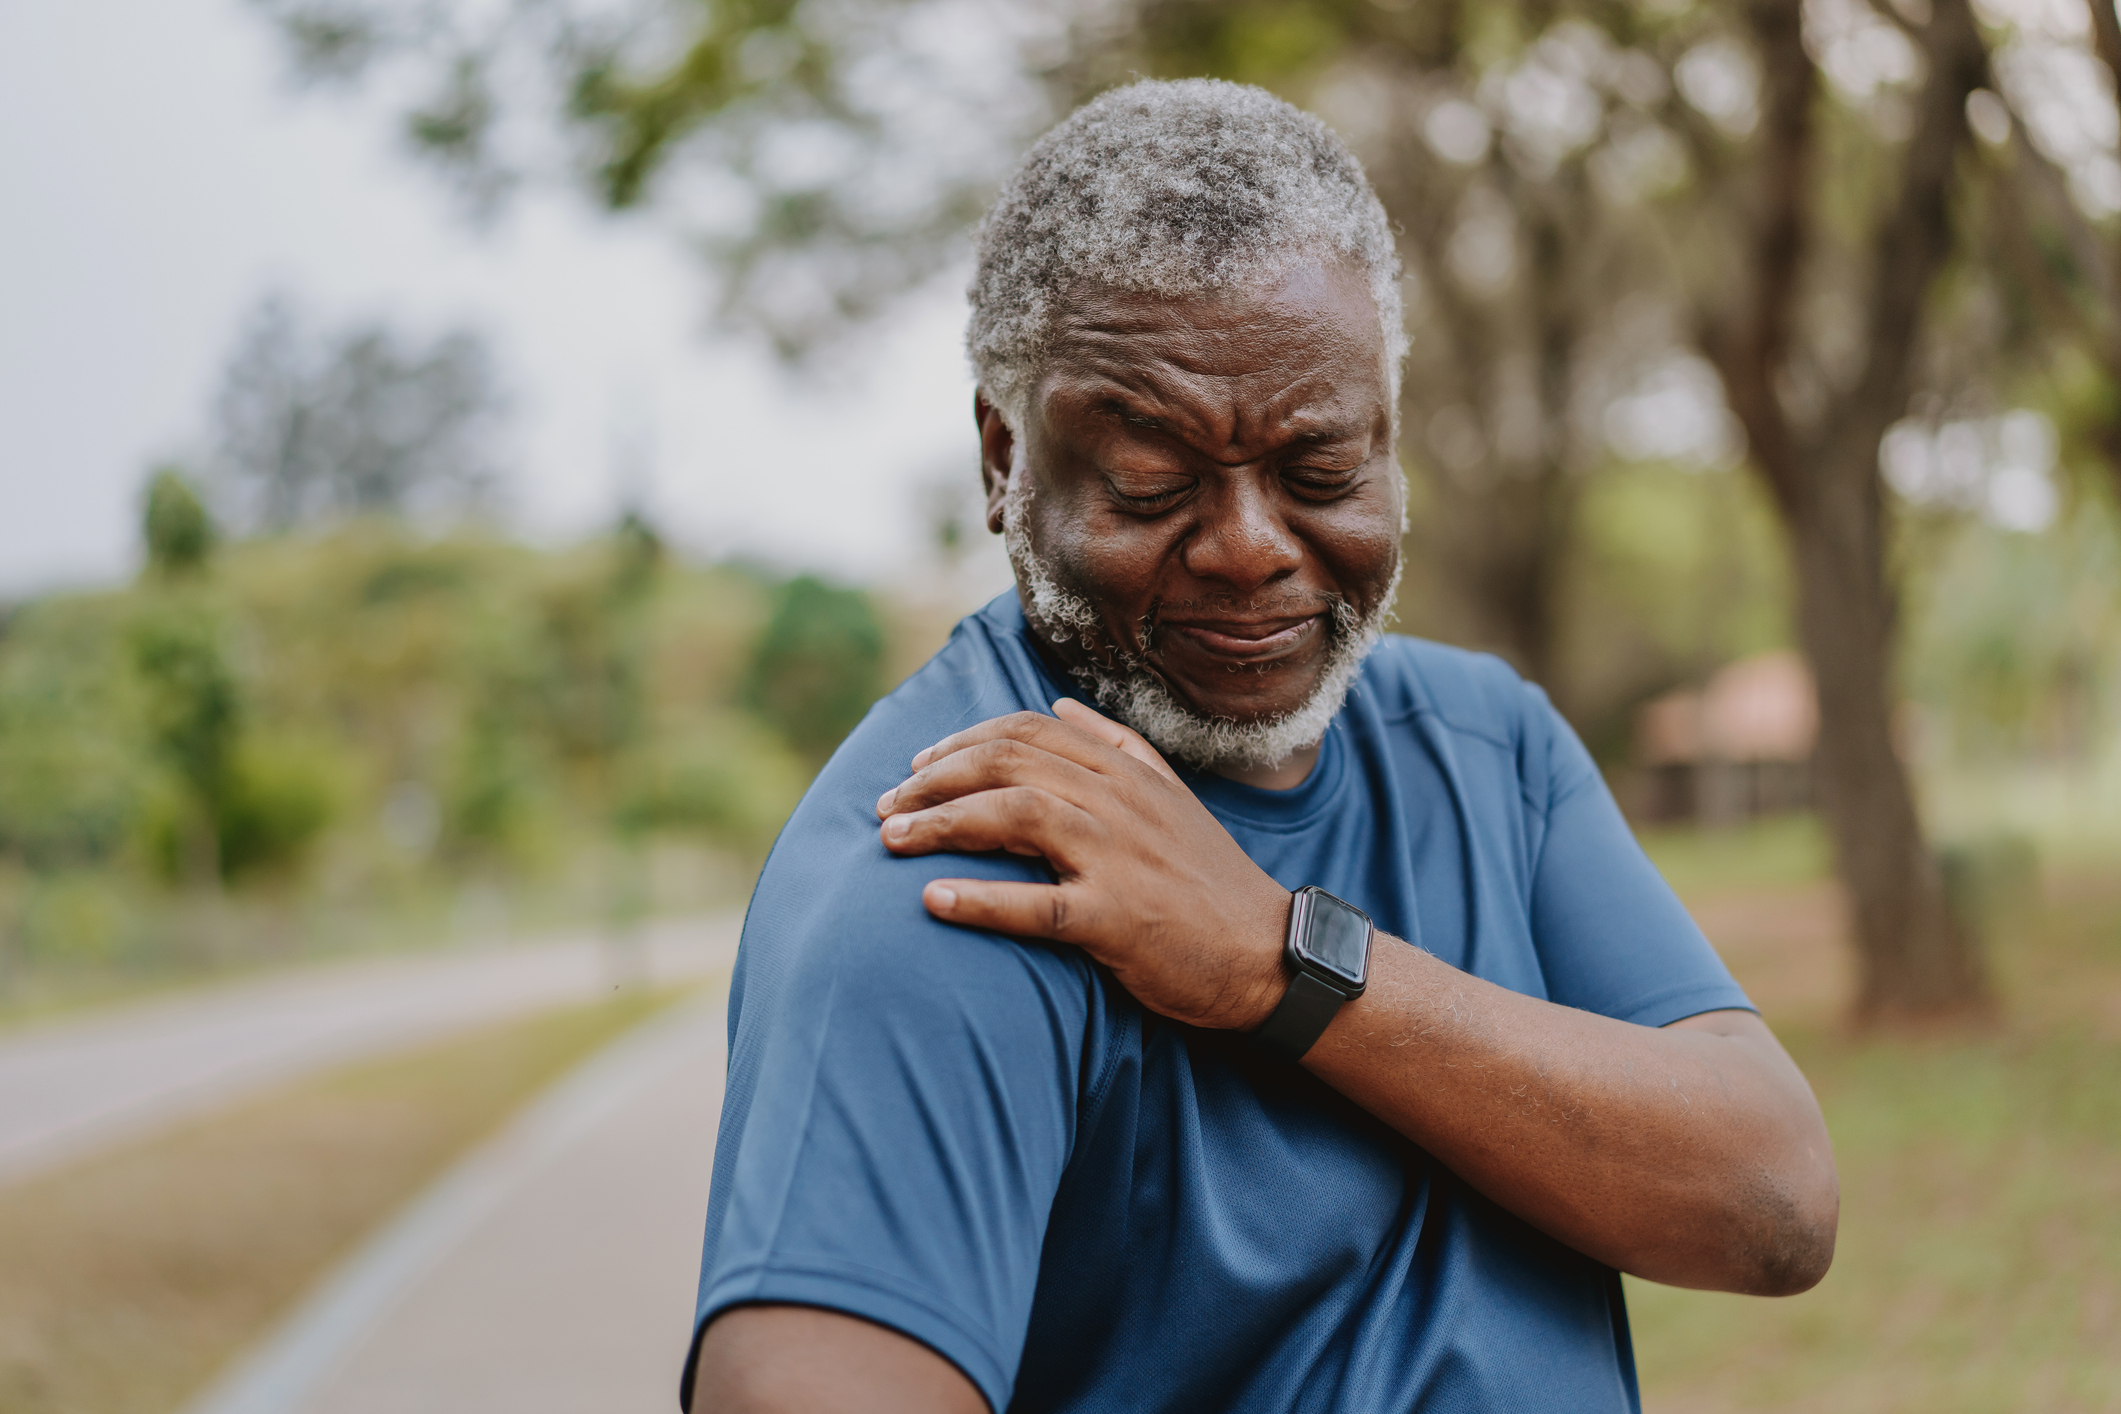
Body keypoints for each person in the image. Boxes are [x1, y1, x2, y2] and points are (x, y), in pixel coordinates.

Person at [683, 78, 1837, 1414]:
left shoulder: (1484, 743)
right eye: (1152, 483)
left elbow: (1771, 1203)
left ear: (1388, 439)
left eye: (1319, 468)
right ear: (1002, 460)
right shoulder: (947, 866)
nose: (1249, 546)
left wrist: (1281, 959)